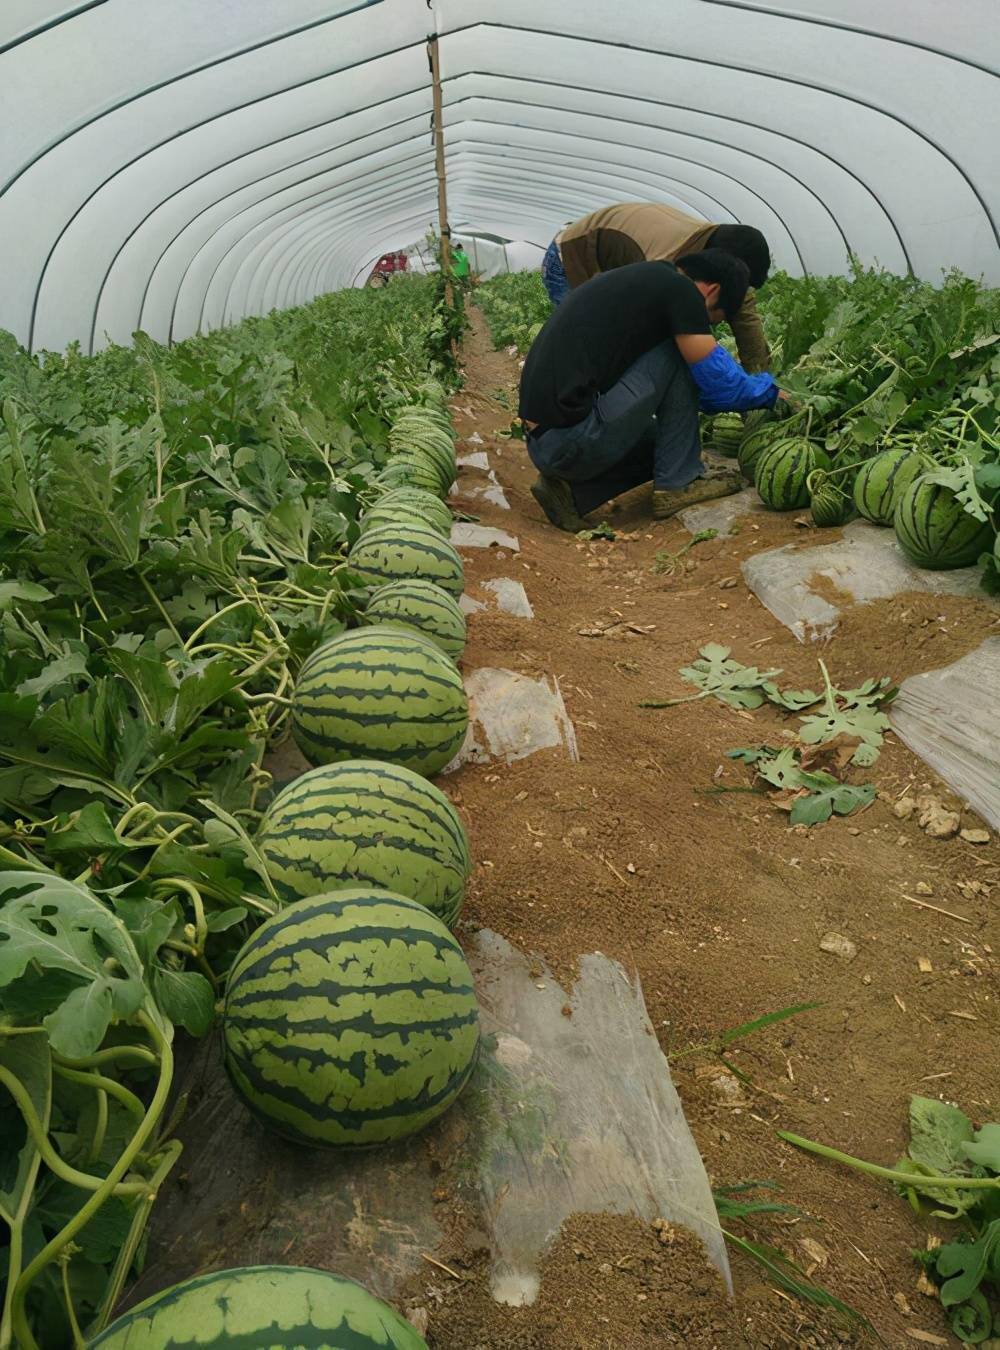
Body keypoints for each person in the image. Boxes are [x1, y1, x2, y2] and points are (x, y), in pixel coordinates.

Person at [519, 250, 785, 530]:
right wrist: (770, 393)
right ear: (712, 291)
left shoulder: (649, 280)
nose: (705, 325)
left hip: (547, 441)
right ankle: (677, 485)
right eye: (711, 319)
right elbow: (717, 384)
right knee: (679, 354)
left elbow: (697, 396)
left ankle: (569, 495)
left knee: (667, 446)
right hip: (570, 440)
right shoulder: (682, 291)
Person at [541, 203, 772, 371]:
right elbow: (648, 329)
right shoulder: (662, 262)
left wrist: (760, 377)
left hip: (615, 260)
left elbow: (746, 317)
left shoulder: (722, 250)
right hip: (569, 259)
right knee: (591, 347)